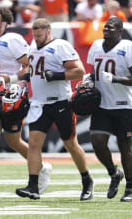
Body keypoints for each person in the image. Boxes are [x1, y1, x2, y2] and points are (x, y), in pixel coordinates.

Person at [0, 8, 52, 199]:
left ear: (4, 24)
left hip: (11, 95)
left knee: (13, 141)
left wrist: (10, 78)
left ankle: (41, 167)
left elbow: (29, 65)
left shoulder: (12, 40)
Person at [15, 18, 94, 201]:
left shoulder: (61, 46)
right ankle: (33, 186)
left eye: (40, 36)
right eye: (35, 36)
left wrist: (58, 75)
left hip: (60, 102)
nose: (37, 39)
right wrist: (15, 81)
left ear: (49, 31)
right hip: (39, 104)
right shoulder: (32, 47)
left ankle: (86, 180)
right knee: (34, 144)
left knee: (70, 144)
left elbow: (80, 70)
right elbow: (31, 71)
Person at [86, 16, 132, 202]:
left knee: (124, 145)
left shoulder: (129, 47)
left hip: (123, 104)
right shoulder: (96, 46)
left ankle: (130, 188)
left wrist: (116, 79)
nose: (106, 29)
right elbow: (94, 72)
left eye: (111, 27)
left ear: (120, 31)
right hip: (102, 103)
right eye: (105, 27)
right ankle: (114, 173)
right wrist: (88, 80)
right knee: (97, 142)